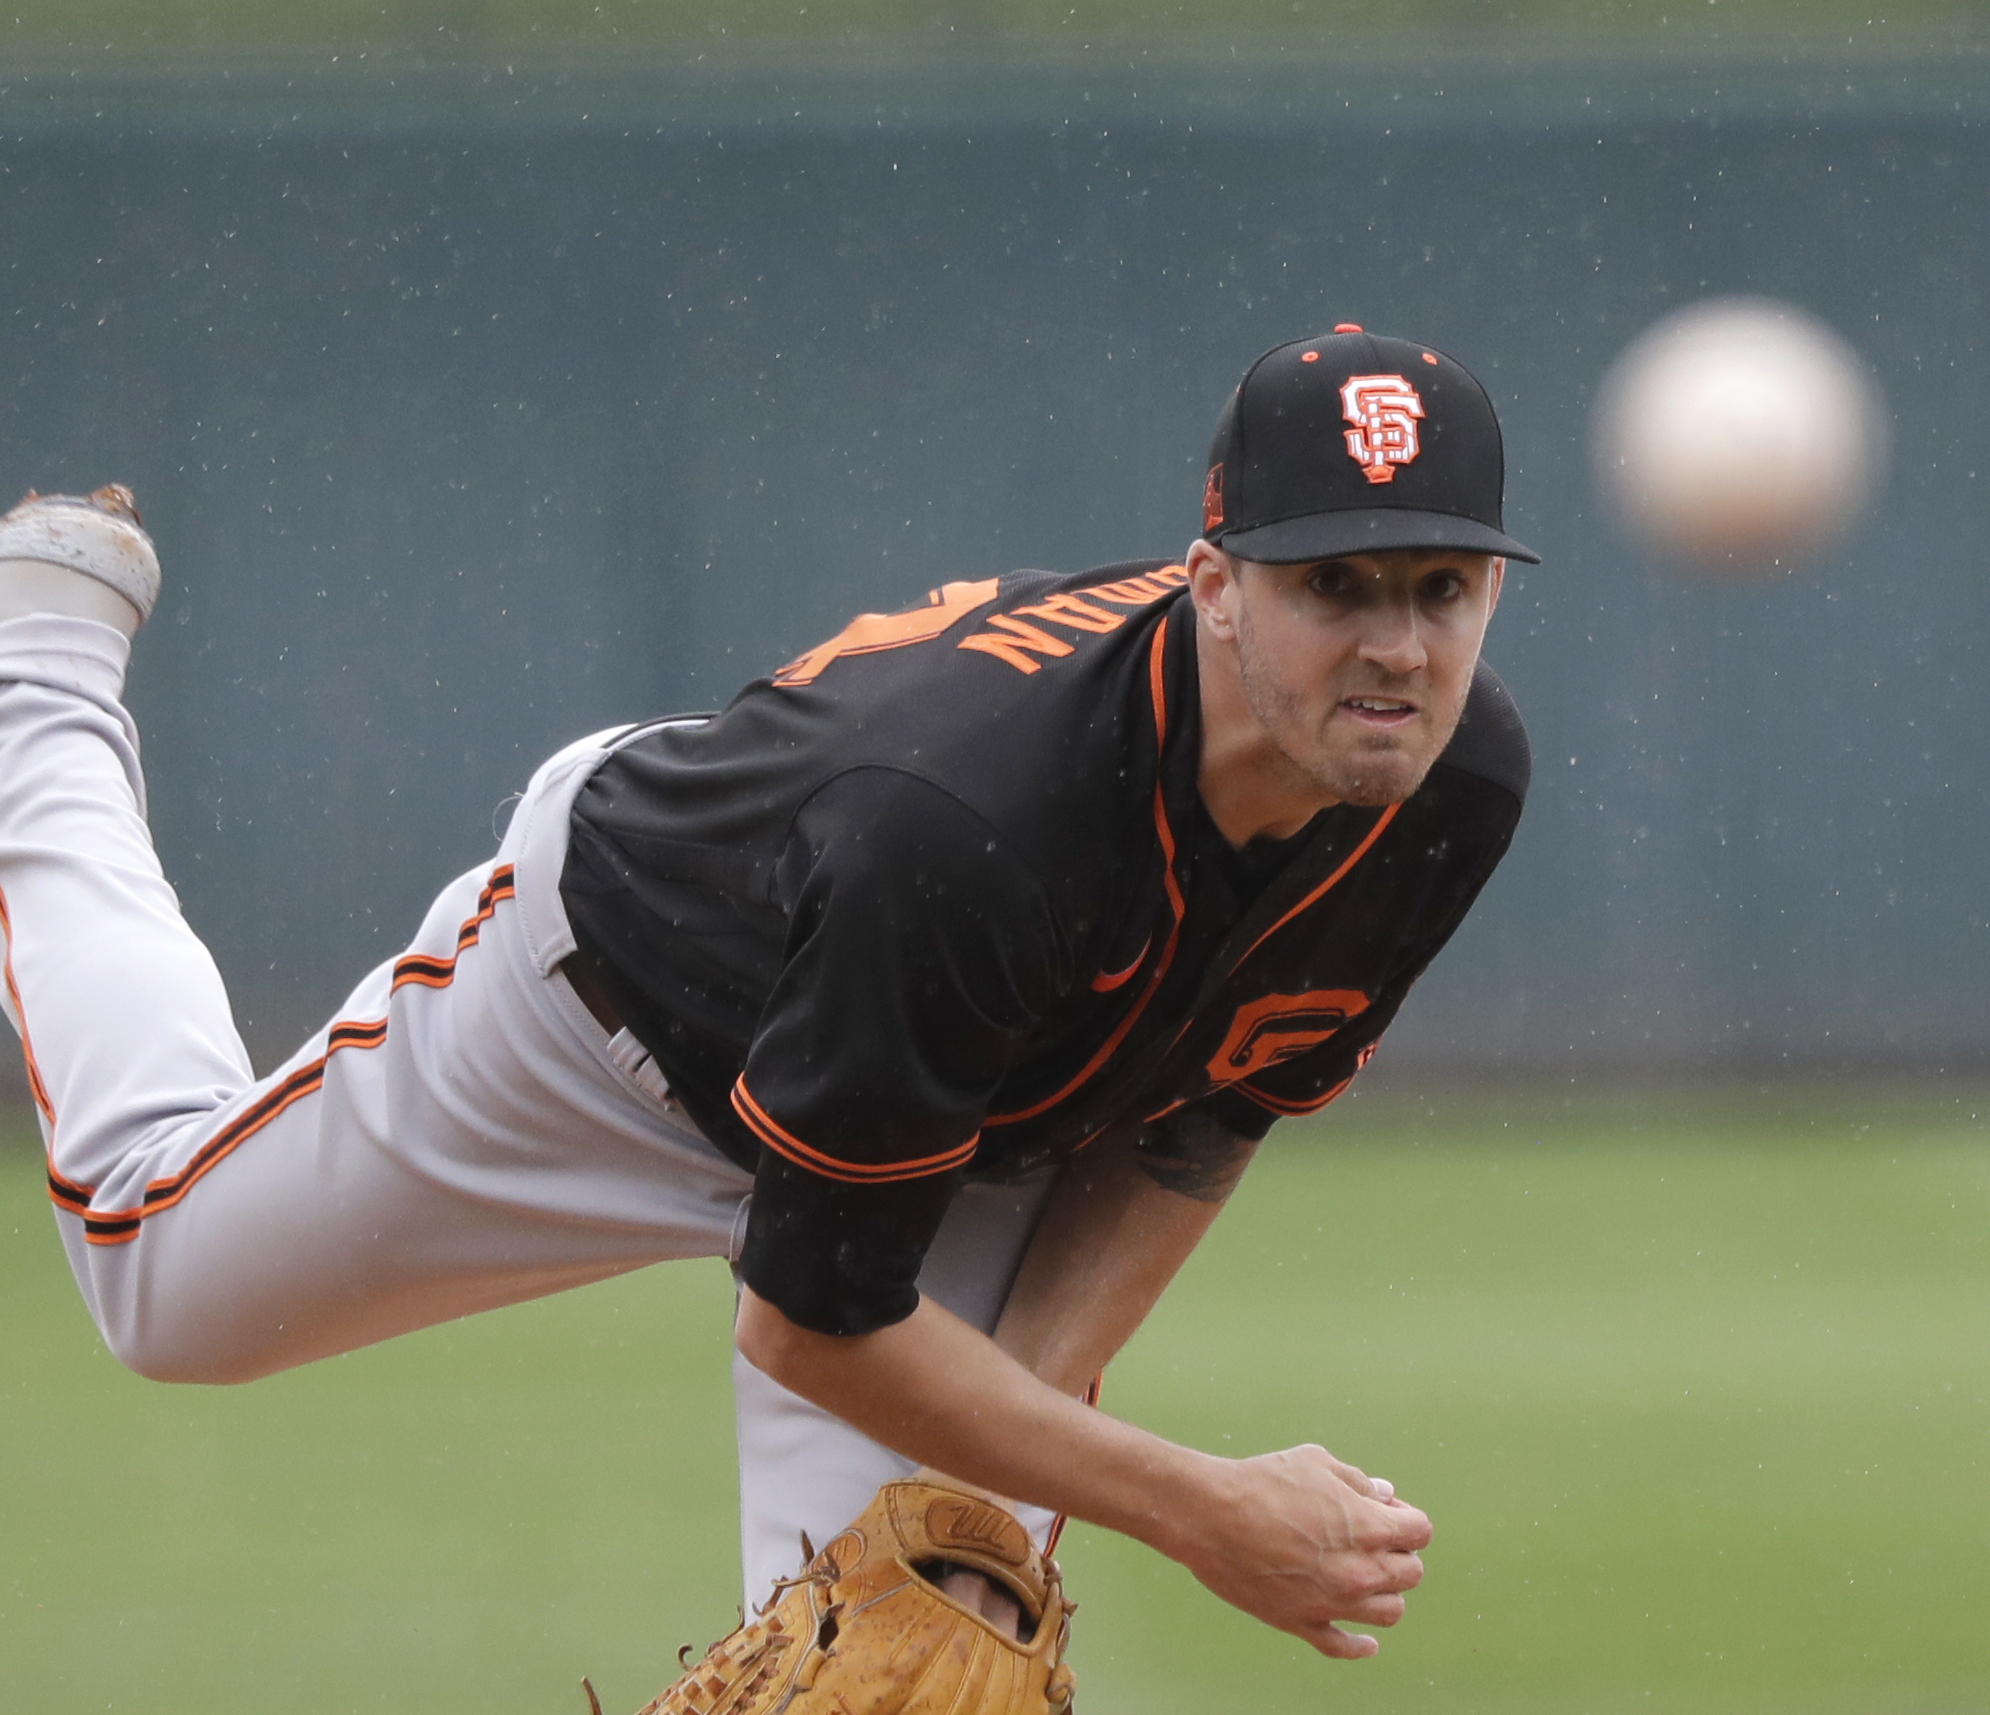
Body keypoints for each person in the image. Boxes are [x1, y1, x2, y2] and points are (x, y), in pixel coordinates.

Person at [0, 324, 1536, 1661]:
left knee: (916, 1647)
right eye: (1331, 584)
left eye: (1441, 588)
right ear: (1210, 584)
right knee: (165, 1289)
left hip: (953, 1133)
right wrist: (1192, 1504)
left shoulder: (1449, 784)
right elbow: (809, 1320)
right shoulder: (968, 825)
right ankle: (41, 689)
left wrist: (987, 1504)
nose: (1395, 646)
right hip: (612, 1017)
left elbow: (1196, 1128)